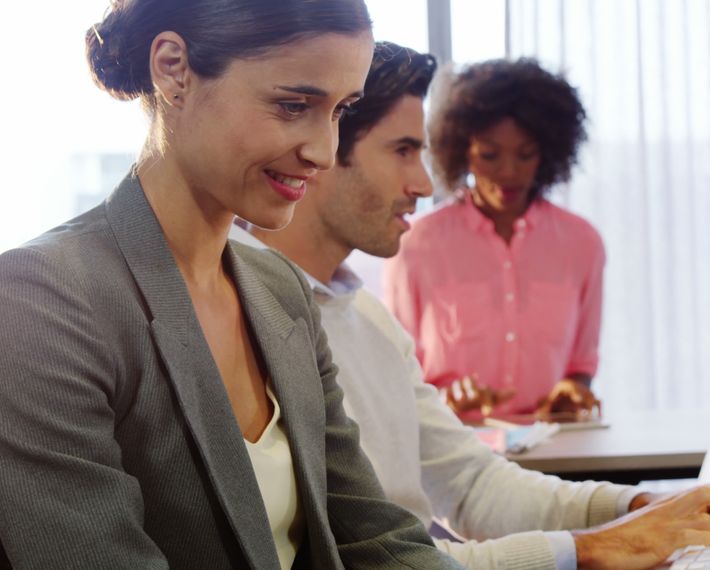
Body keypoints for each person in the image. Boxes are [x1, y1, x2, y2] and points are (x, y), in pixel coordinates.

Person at [241, 41, 710, 570]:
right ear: (324, 147)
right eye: (403, 150)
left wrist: (639, 506)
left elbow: (472, 484)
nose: (424, 184)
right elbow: (377, 559)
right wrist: (594, 548)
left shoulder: (367, 319)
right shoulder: (247, 318)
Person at [0, 2, 459, 568]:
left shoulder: (280, 289)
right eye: (293, 105)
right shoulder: (41, 300)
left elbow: (375, 536)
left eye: (340, 111)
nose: (323, 152)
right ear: (173, 69)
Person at [382, 58, 605, 420]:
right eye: (490, 155)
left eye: (525, 154)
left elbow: (582, 362)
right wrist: (445, 401)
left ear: (547, 152)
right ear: (461, 149)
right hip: (453, 440)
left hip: (555, 441)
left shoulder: (582, 243)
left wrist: (573, 392)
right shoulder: (416, 244)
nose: (508, 171)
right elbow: (395, 368)